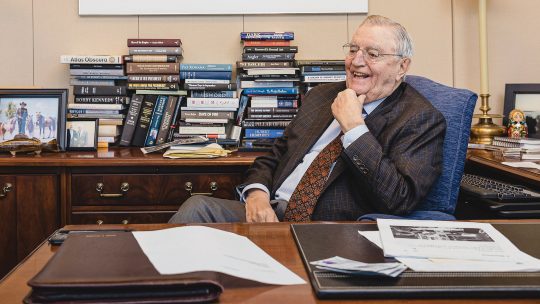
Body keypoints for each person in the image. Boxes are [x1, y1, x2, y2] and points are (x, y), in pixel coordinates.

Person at [169, 15, 446, 223]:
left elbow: (399, 199)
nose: (356, 62)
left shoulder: (420, 119)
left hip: (329, 229)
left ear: (402, 67)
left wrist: (354, 129)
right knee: (197, 208)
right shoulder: (323, 96)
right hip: (272, 215)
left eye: (372, 54)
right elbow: (273, 157)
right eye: (353, 50)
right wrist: (257, 195)